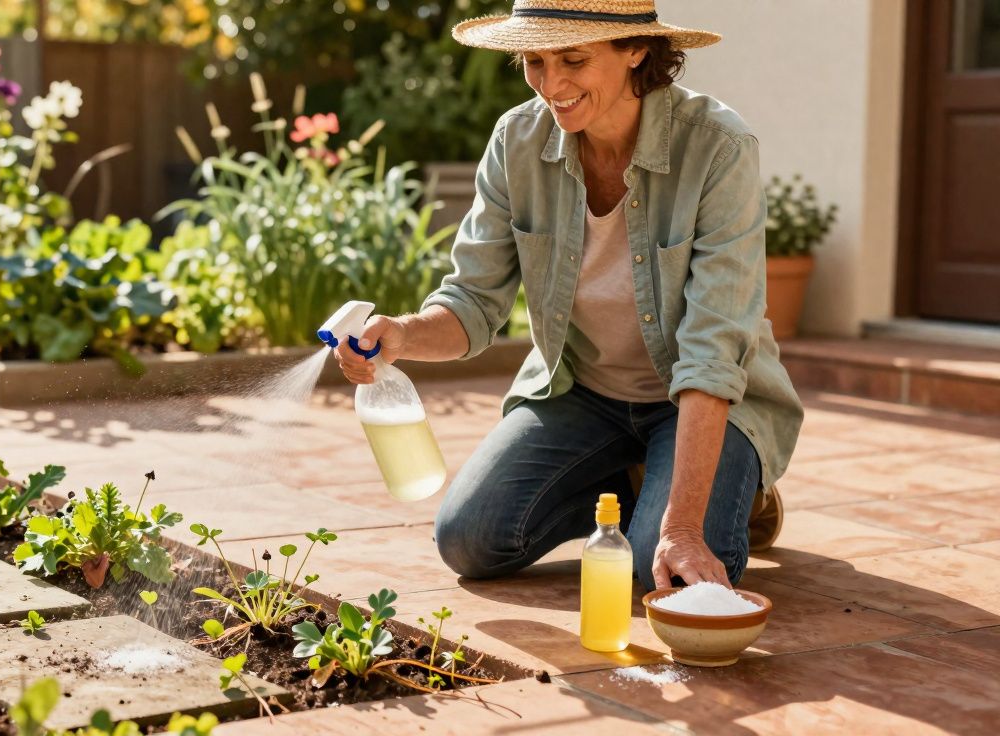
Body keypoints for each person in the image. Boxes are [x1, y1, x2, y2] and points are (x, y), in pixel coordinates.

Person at [333, 0, 803, 592]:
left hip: (701, 402)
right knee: (468, 539)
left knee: (651, 571)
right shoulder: (517, 141)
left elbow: (714, 349)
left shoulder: (717, 147)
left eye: (574, 59)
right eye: (534, 60)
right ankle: (645, 484)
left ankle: (721, 485)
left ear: (636, 50)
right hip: (580, 392)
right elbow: (473, 301)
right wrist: (401, 334)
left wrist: (682, 527)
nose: (551, 85)